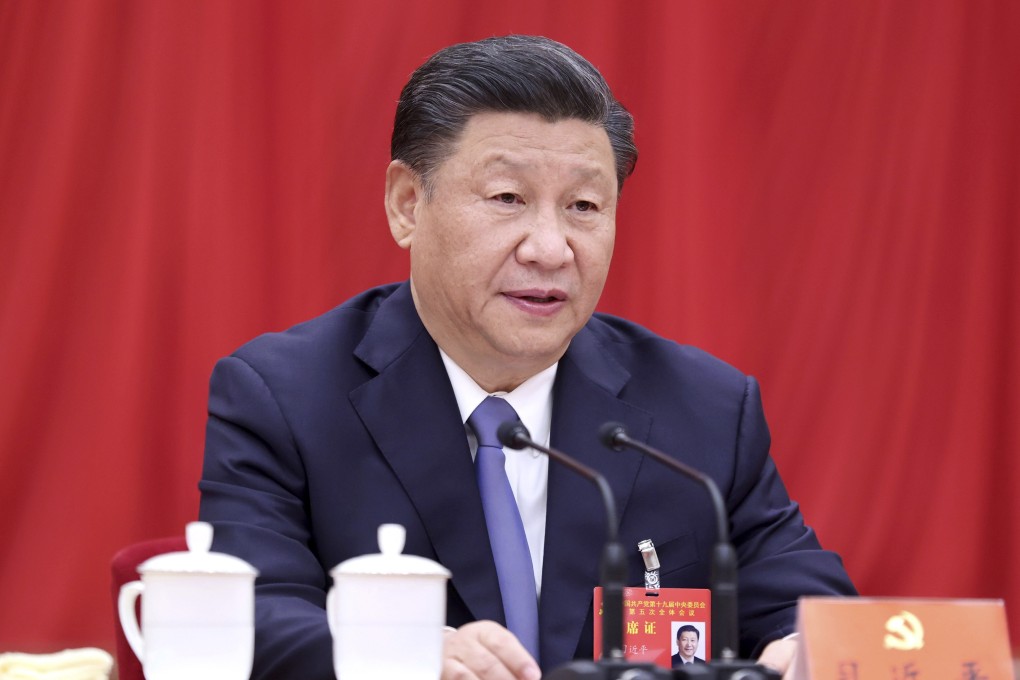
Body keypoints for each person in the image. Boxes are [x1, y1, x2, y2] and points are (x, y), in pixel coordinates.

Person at [198, 34, 856, 680]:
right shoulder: (284, 398)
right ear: (407, 205)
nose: (550, 248)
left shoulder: (704, 410)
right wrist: (396, 655)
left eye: (584, 206)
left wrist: (806, 649)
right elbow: (251, 619)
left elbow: (808, 608)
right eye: (507, 198)